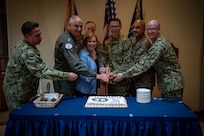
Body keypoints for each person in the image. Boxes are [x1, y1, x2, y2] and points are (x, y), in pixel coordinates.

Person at [3, 21, 78, 112]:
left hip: (25, 89)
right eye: (37, 36)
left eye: (40, 34)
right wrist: (67, 75)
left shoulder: (27, 44)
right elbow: (42, 71)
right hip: (17, 93)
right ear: (27, 37)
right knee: (20, 118)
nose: (41, 37)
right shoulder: (26, 51)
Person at [113, 19, 184, 100]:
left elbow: (144, 64)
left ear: (159, 30)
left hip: (172, 83)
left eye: (153, 29)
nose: (150, 31)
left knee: (172, 109)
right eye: (149, 29)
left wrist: (123, 75)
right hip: (167, 82)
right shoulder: (154, 42)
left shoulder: (159, 45)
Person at [53, 15, 109, 96]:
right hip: (64, 77)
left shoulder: (74, 38)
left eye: (80, 27)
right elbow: (76, 65)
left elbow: (101, 54)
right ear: (69, 25)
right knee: (66, 102)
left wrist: (102, 66)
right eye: (76, 26)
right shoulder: (67, 41)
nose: (79, 29)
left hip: (74, 78)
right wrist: (98, 76)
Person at [103, 18, 133, 96]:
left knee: (122, 105)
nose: (114, 29)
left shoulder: (126, 42)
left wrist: (115, 73)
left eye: (117, 26)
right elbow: (107, 59)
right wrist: (107, 68)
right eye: (112, 26)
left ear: (120, 27)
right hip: (110, 81)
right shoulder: (107, 43)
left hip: (122, 82)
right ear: (109, 27)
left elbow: (127, 62)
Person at [130, 20, 155, 96]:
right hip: (136, 80)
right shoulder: (136, 41)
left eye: (137, 28)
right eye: (133, 27)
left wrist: (119, 73)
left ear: (143, 29)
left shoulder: (145, 43)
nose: (134, 30)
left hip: (143, 83)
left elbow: (135, 63)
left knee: (142, 106)